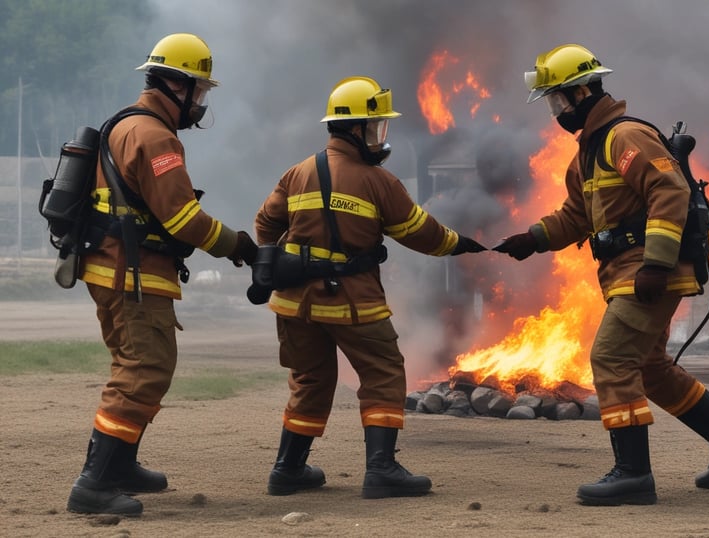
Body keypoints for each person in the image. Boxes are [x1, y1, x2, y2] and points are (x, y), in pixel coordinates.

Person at [493, 44, 709, 506]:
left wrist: (656, 263)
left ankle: (633, 474)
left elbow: (669, 191)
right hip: (626, 273)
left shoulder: (625, 138)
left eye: (559, 100)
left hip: (648, 274)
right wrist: (533, 239)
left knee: (612, 359)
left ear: (582, 92)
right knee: (650, 369)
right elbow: (576, 217)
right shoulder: (587, 156)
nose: (556, 112)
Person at [253, 76, 486, 499]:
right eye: (377, 127)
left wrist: (278, 259)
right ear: (357, 130)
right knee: (383, 374)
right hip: (352, 301)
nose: (381, 137)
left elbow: (265, 223)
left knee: (310, 379)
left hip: (293, 304)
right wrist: (458, 243)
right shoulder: (378, 181)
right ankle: (382, 469)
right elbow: (420, 233)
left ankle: (287, 469)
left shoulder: (297, 173)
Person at [66, 33, 258, 516]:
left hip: (114, 267)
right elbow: (183, 220)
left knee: (142, 365)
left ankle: (120, 467)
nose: (201, 102)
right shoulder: (155, 137)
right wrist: (239, 247)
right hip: (131, 273)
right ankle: (94, 483)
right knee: (143, 370)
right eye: (200, 92)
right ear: (178, 85)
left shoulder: (126, 124)